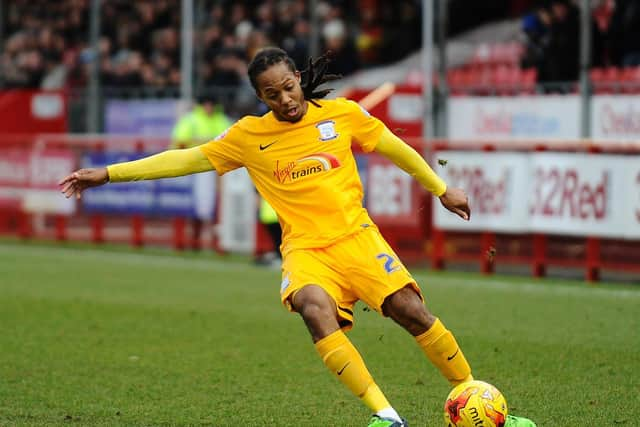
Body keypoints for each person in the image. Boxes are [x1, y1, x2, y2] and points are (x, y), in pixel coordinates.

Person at [59, 47, 535, 427]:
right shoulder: (248, 136)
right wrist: (108, 173)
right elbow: (184, 160)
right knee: (313, 309)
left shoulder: (343, 115)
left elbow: (396, 148)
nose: (285, 100)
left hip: (358, 239)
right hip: (306, 251)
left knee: (411, 312)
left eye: (288, 87)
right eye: (272, 94)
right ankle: (386, 417)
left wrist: (441, 188)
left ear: (298, 80)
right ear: (260, 97)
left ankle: (479, 399)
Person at [170, 95, 232, 250]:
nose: (209, 107)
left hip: (215, 169)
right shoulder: (191, 120)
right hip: (194, 169)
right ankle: (193, 239)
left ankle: (214, 242)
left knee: (214, 205)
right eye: (206, 104)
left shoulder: (222, 120)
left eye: (211, 104)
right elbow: (179, 141)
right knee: (197, 205)